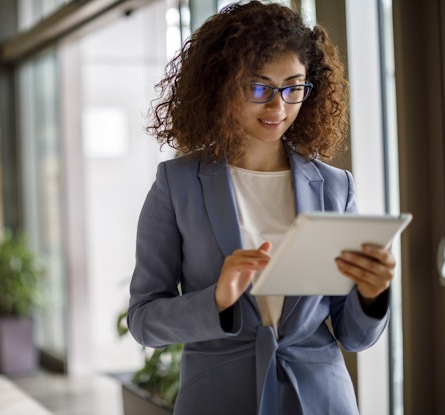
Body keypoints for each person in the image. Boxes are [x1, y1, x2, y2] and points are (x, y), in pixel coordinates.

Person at [127, 2, 396, 414]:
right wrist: (216, 298)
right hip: (219, 397)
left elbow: (353, 335)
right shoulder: (177, 184)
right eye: (258, 88)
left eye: (294, 87)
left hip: (321, 398)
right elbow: (144, 322)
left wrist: (372, 295)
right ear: (222, 85)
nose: (278, 108)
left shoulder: (335, 187)